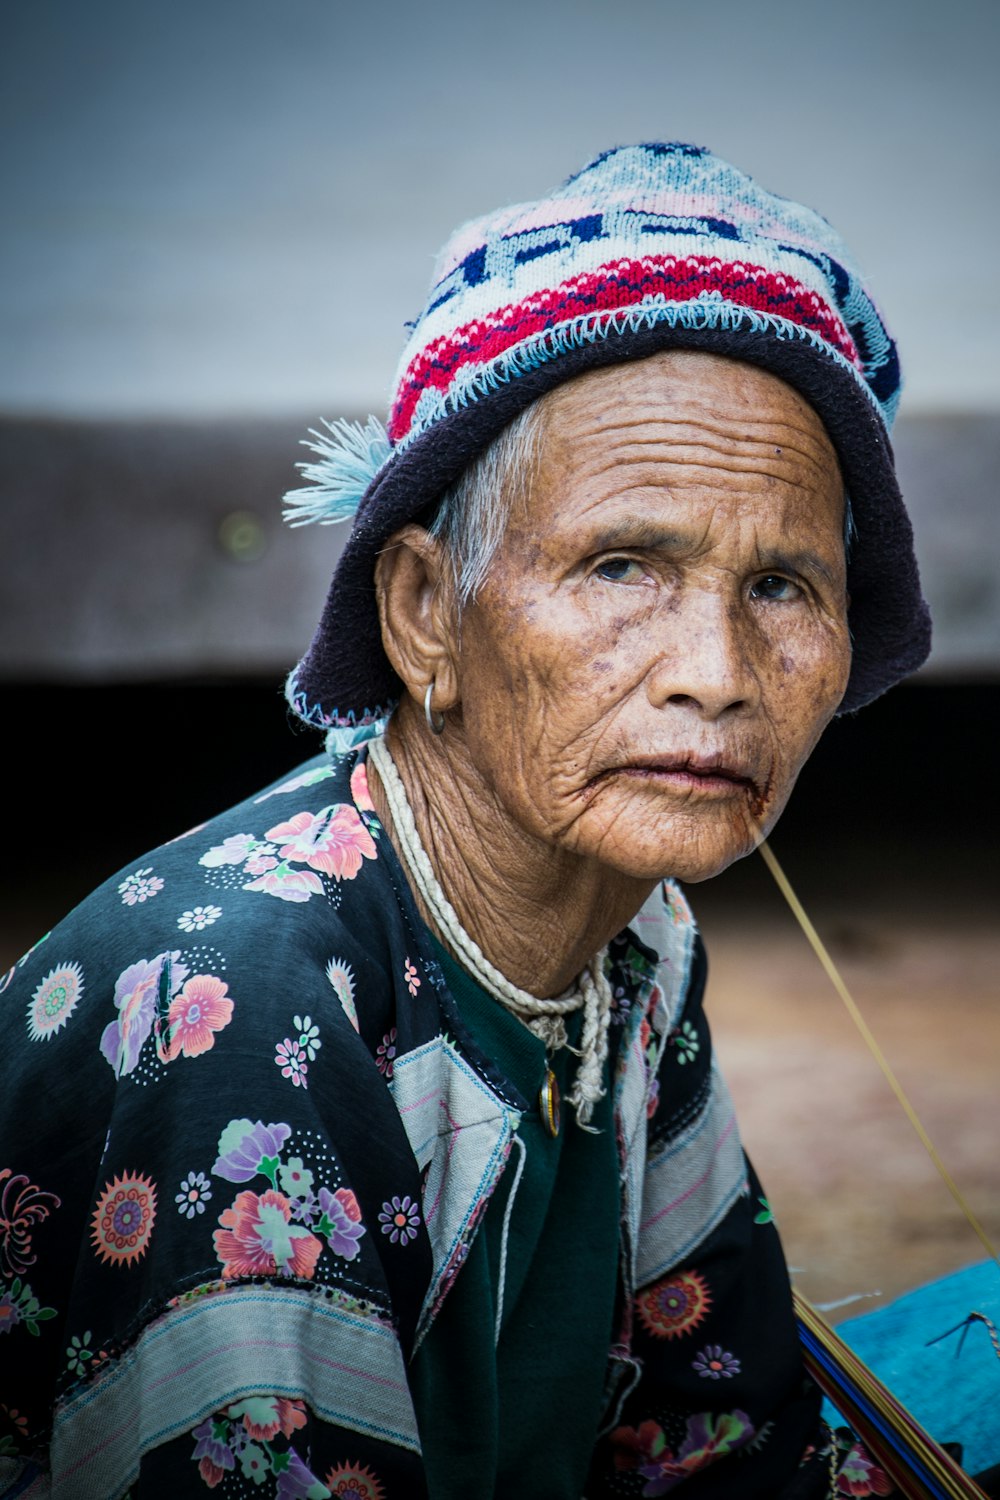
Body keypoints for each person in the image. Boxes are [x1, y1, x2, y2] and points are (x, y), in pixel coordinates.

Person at [0, 143, 931, 1498]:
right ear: (426, 612)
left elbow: (717, 1444)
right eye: (624, 564)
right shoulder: (239, 1009)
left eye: (784, 584)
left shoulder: (633, 951)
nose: (720, 672)